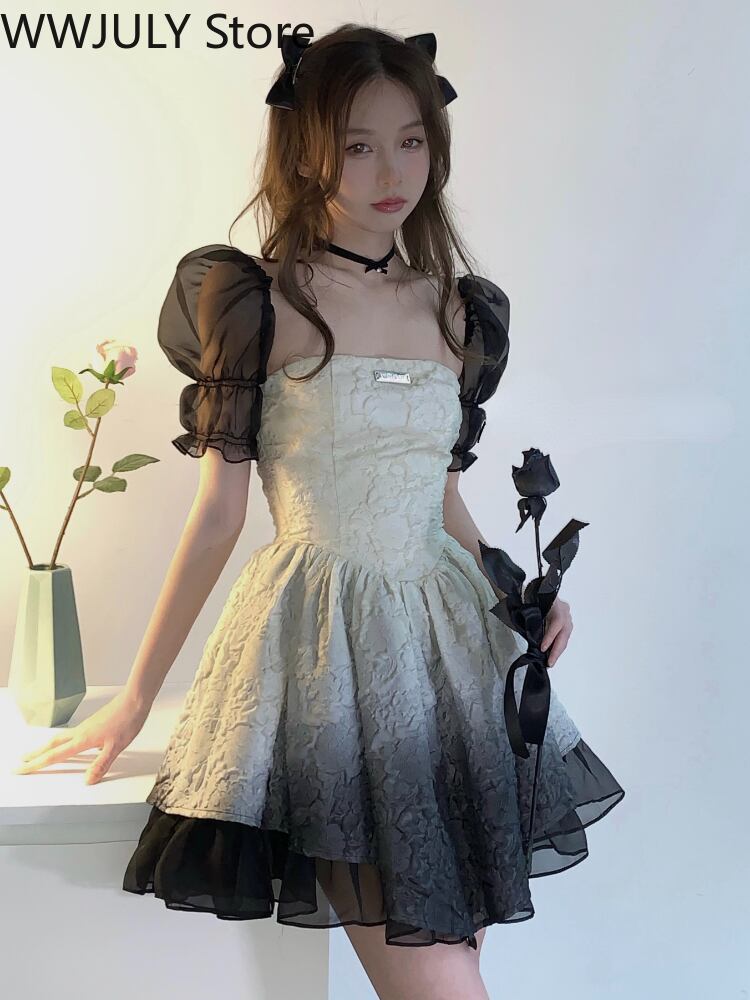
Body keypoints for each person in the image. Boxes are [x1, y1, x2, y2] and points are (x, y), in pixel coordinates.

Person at [15, 24, 624, 1000]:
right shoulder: (259, 302)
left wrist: (519, 598)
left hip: (450, 660)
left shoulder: (458, 310)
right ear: (306, 154)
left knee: (457, 959)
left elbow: (442, 499)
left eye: (411, 141)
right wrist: (133, 699)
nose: (393, 171)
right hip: (323, 655)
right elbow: (219, 517)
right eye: (359, 144)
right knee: (443, 981)